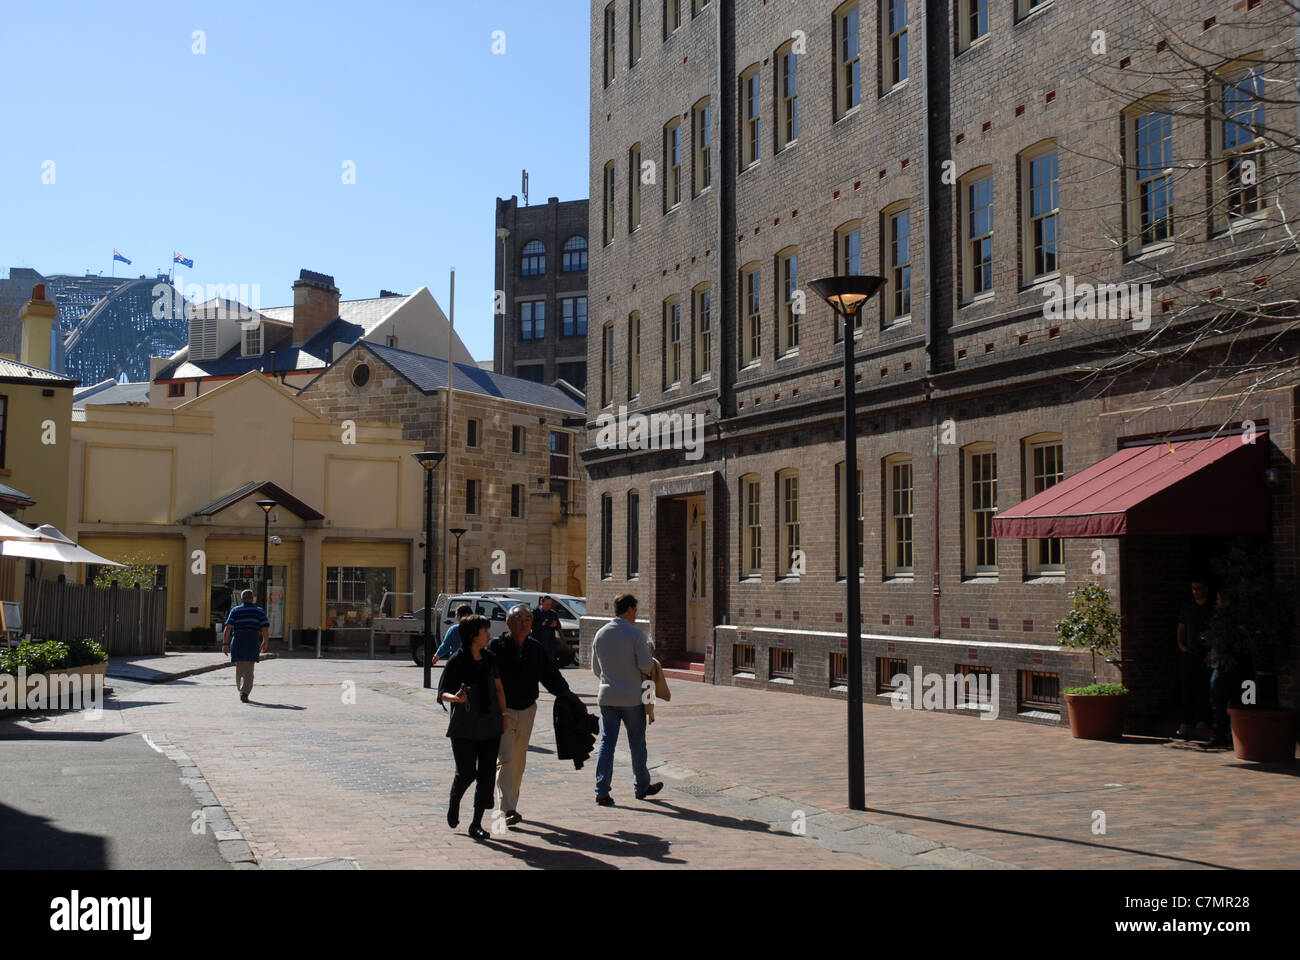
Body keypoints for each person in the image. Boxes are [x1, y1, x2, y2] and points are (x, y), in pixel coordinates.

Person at [488, 604, 574, 826]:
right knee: (506, 758)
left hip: (527, 709)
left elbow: (550, 676)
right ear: (508, 623)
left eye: (527, 618)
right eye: (518, 619)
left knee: (518, 759)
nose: (524, 622)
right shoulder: (497, 646)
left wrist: (567, 696)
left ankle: (510, 804)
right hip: (503, 711)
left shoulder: (536, 649)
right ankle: (507, 809)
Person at [438, 615, 508, 840]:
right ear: (472, 636)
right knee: (467, 772)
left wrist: (504, 714)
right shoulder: (457, 661)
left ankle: (476, 823)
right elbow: (442, 693)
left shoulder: (491, 658)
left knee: (487, 774)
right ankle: (455, 801)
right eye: (484, 631)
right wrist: (455, 699)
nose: (489, 635)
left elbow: (499, 689)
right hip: (464, 725)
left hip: (490, 723)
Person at [591, 593, 662, 806]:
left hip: (607, 696)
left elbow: (596, 669)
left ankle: (601, 790)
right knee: (637, 743)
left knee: (607, 743)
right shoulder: (635, 634)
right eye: (635, 610)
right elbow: (645, 665)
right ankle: (641, 786)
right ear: (630, 609)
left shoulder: (600, 634)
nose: (635, 615)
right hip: (631, 697)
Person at [1176, 579, 1213, 738]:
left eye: (1198, 588)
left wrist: (1212, 652)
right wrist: (1181, 645)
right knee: (1188, 686)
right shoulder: (1188, 607)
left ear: (1205, 589)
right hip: (1190, 652)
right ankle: (1187, 721)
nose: (1195, 591)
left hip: (1206, 654)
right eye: (1193, 588)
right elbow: (1181, 627)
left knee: (1205, 686)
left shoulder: (1212, 608)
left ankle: (1203, 719)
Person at [222, 589, 269, 703]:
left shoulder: (235, 610)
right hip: (252, 641)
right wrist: (265, 641)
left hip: (238, 641)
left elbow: (228, 628)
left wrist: (225, 644)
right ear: (253, 598)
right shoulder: (259, 611)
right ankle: (244, 692)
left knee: (239, 667)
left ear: (242, 599)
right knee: (249, 669)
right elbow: (264, 628)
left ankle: (241, 689)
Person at [533, 596, 562, 665]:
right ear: (541, 603)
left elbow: (559, 626)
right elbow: (531, 626)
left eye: (550, 605)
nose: (548, 606)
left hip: (550, 643)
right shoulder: (535, 612)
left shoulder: (552, 613)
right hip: (538, 642)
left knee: (550, 663)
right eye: (546, 605)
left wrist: (555, 625)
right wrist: (542, 624)